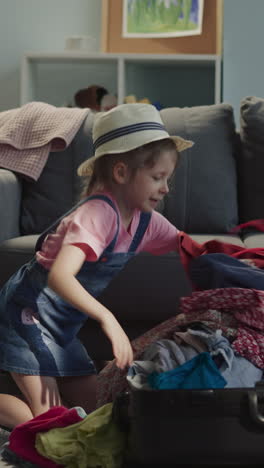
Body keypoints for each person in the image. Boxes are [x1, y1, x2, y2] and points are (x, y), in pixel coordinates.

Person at [0, 103, 193, 429]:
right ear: (120, 173)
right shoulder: (95, 215)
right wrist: (108, 319)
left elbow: (189, 247)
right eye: (157, 177)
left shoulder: (147, 221)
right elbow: (61, 277)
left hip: (61, 329)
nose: (165, 188)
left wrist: (234, 257)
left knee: (100, 411)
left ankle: (18, 379)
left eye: (167, 179)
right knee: (50, 423)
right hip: (27, 316)